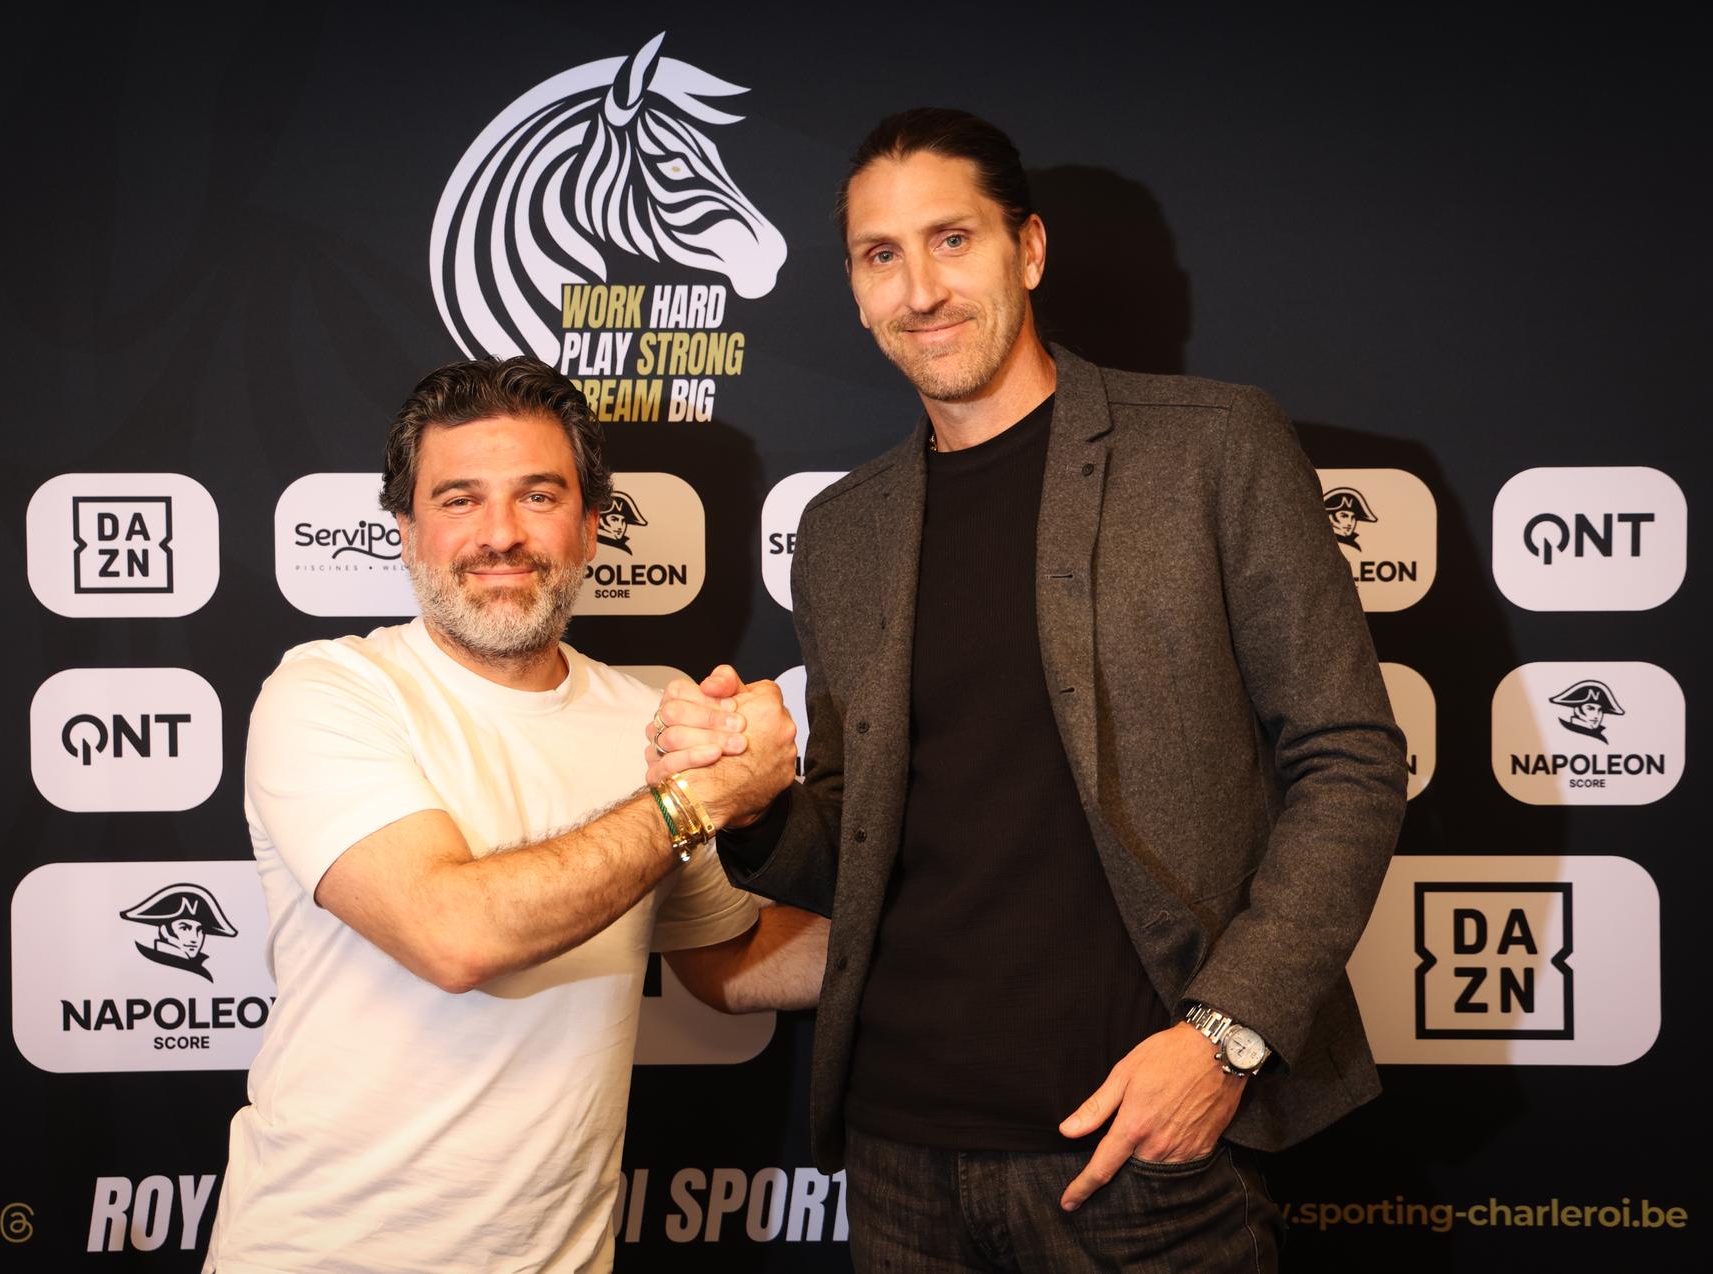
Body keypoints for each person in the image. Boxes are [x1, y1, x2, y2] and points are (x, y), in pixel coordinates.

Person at [648, 109, 1408, 1271]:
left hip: (1137, 1149)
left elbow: (1350, 756)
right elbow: (862, 837)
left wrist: (1223, 1037)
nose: (920, 289)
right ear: (854, 290)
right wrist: (752, 807)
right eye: (880, 255)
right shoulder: (844, 530)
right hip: (898, 1154)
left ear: (1031, 250)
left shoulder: (1211, 447)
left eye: (953, 239)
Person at [204, 357, 820, 1274]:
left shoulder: (651, 714)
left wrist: (966, 931)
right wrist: (699, 801)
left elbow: (725, 965)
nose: (501, 535)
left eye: (539, 496)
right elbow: (454, 935)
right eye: (458, 500)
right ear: (407, 532)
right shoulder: (330, 691)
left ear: (592, 526)